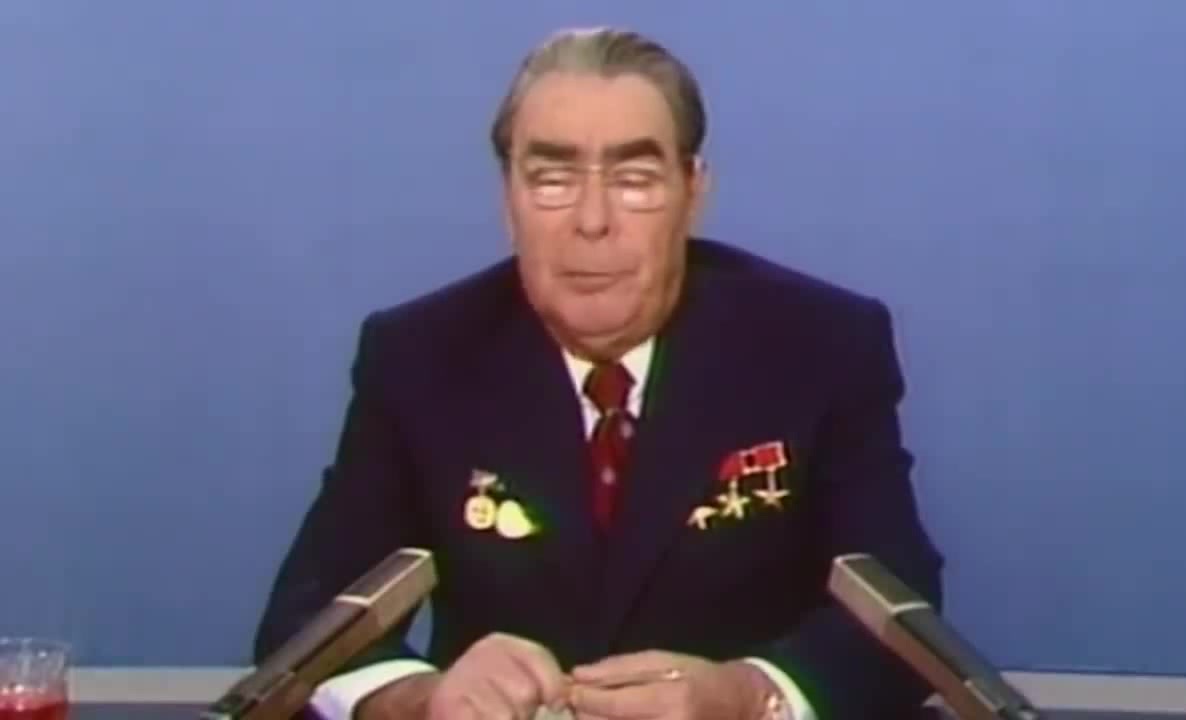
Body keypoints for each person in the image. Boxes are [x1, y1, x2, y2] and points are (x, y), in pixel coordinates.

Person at [253, 25, 944, 720]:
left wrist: (747, 695)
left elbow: (900, 612)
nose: (592, 221)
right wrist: (419, 699)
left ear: (692, 192)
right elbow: (307, 624)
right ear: (509, 199)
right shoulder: (420, 356)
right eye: (552, 179)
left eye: (634, 180)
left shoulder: (820, 345)